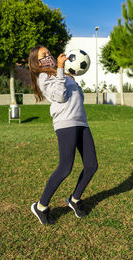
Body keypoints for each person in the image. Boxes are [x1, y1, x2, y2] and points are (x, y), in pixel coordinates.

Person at [28, 45, 98, 225]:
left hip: (81, 122)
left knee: (91, 165)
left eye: (49, 53)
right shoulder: (44, 77)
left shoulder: (64, 74)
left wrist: (65, 74)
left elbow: (76, 98)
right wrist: (60, 69)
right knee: (65, 168)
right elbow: (59, 96)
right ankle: (41, 206)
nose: (49, 56)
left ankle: (74, 200)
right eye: (45, 55)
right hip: (65, 124)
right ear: (37, 62)